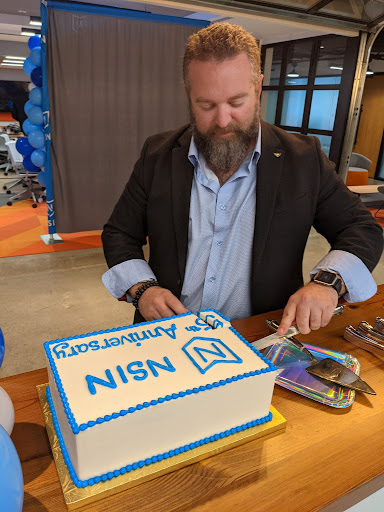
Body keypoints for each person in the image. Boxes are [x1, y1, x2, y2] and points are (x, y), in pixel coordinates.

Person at [102, 23, 383, 335]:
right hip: (167, 334)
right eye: (206, 105)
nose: (223, 121)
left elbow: (362, 229)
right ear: (187, 94)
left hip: (259, 336)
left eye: (237, 102)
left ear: (259, 86)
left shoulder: (303, 159)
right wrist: (143, 290)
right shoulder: (158, 154)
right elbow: (119, 233)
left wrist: (328, 283)